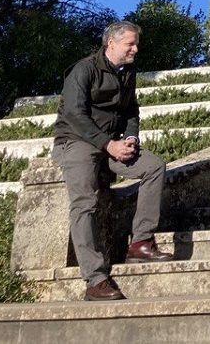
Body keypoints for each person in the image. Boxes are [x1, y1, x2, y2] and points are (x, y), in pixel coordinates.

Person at [51, 20, 172, 302]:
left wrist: (130, 139)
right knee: (85, 202)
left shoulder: (128, 71)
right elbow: (75, 115)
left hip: (111, 144)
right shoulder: (84, 70)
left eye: (136, 43)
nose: (136, 49)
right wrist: (108, 144)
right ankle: (95, 279)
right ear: (111, 44)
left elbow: (131, 110)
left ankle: (141, 242)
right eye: (130, 44)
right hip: (76, 140)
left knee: (154, 166)